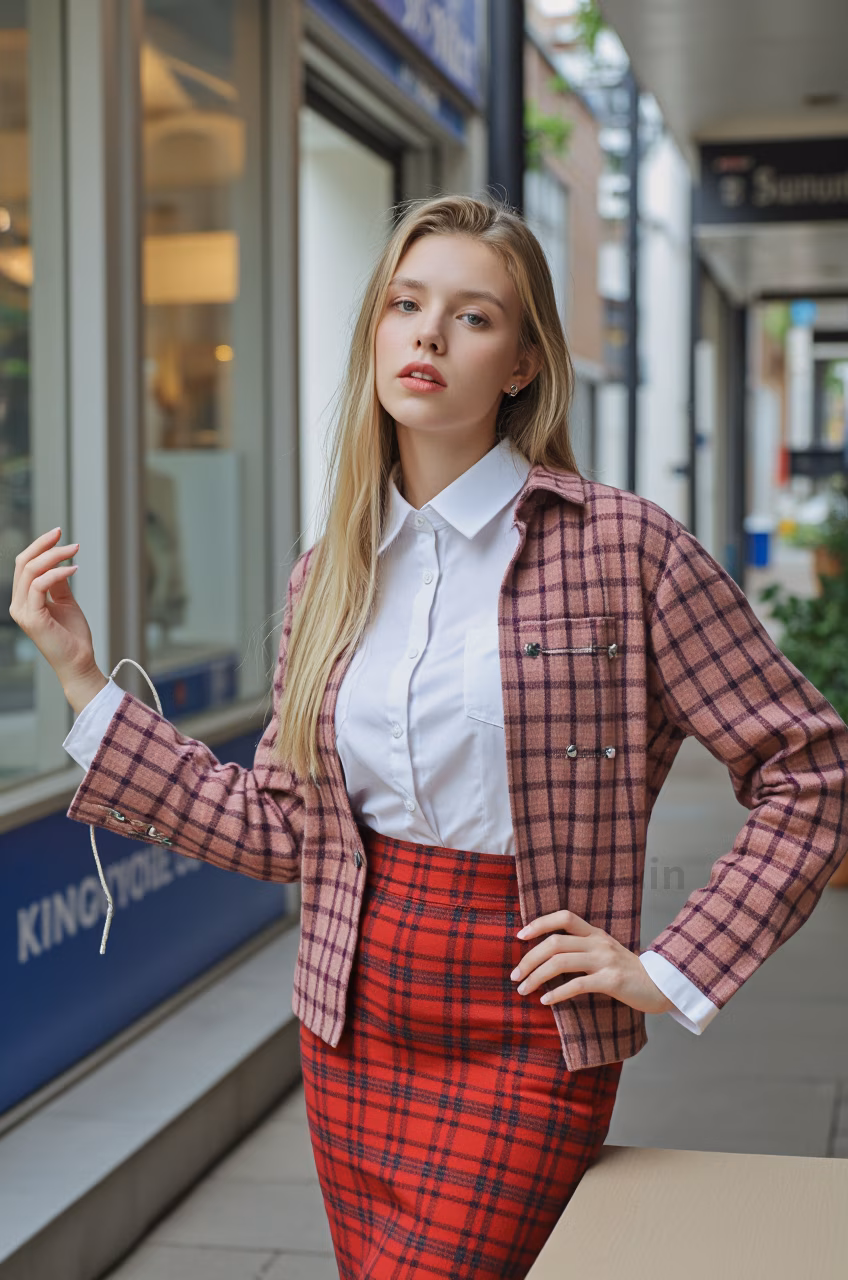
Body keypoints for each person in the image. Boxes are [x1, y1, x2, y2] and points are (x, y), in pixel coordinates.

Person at [10, 192, 848, 1279]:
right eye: (405, 305)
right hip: (351, 1021)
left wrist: (672, 966)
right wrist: (82, 680)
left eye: (473, 315)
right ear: (374, 332)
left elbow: (810, 770)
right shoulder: (328, 573)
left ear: (522, 364)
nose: (429, 335)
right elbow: (278, 829)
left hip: (527, 1024)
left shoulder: (623, 548)